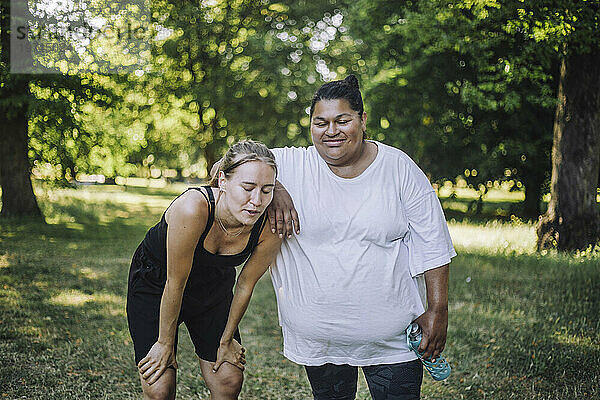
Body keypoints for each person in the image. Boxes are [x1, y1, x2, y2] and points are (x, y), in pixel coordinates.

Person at [267, 75, 456, 400]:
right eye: (320, 122)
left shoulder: (398, 168)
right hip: (321, 339)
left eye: (343, 120)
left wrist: (438, 308)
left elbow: (433, 241)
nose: (331, 131)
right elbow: (225, 167)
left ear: (362, 119)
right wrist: (275, 187)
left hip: (393, 340)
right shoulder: (290, 164)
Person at [126, 140, 282, 400]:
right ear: (223, 180)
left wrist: (226, 340)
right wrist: (165, 343)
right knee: (159, 388)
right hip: (156, 283)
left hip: (213, 288)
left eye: (267, 190)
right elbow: (175, 282)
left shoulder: (269, 226)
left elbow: (245, 285)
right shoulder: (193, 208)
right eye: (248, 188)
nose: (257, 201)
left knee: (229, 379)